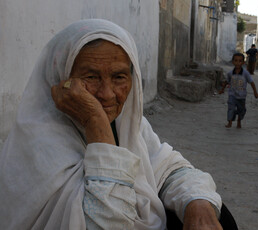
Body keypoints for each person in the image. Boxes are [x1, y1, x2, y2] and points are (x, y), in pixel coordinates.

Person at [0, 19, 237, 230]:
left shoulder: (128, 124)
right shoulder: (38, 141)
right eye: (91, 77)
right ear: (61, 78)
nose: (107, 94)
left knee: (215, 214)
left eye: (119, 77)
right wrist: (95, 122)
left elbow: (169, 169)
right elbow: (106, 222)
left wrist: (197, 204)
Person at [219, 53, 258, 128]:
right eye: (236, 61)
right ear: (233, 62)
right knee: (231, 108)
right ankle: (230, 122)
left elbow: (252, 83)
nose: (238, 63)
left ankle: (239, 121)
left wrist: (255, 92)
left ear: (243, 63)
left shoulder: (245, 74)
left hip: (241, 96)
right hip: (232, 95)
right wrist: (222, 89)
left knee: (242, 110)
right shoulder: (230, 73)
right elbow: (226, 82)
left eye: (240, 61)